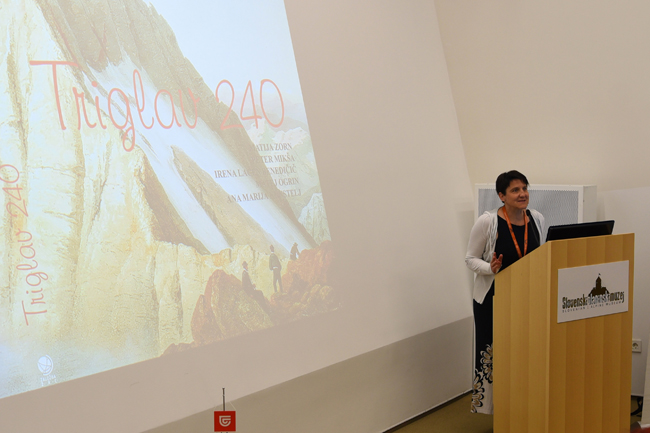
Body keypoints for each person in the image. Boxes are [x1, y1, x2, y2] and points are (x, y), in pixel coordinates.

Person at [465, 170, 546, 415]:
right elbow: (470, 259)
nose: (522, 194)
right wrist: (489, 268)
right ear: (502, 196)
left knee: (523, 354)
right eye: (515, 190)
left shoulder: (537, 218)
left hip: (526, 299)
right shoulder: (488, 222)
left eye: (524, 188)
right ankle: (496, 411)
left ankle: (521, 408)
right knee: (495, 354)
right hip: (493, 299)